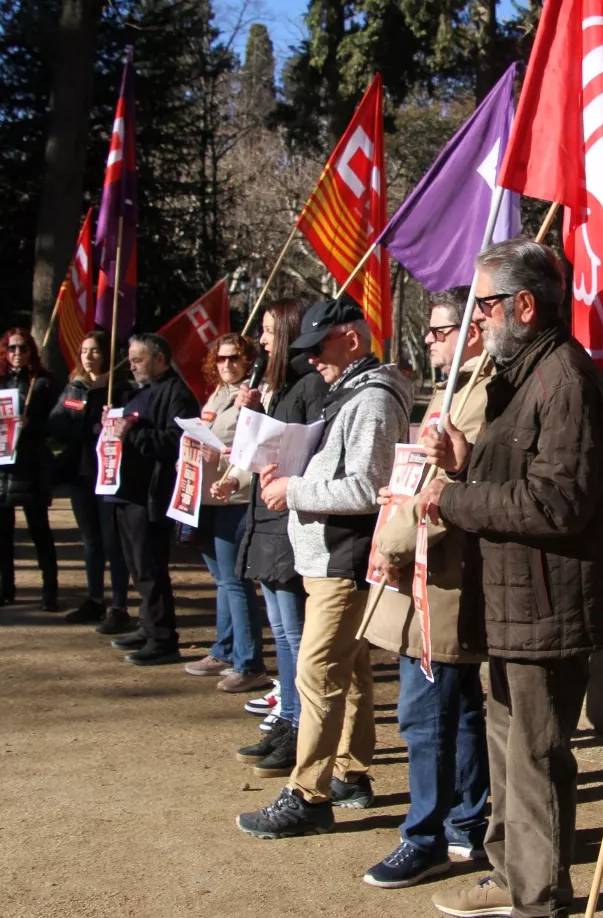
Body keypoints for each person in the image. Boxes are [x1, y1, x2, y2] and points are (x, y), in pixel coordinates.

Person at [419, 239, 603, 918]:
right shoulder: (522, 375)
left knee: (538, 756)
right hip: (512, 602)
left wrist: (454, 499)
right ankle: (510, 879)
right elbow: (520, 477)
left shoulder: (564, 378)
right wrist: (462, 461)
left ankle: (539, 900)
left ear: (523, 305)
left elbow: (558, 502)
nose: (477, 319)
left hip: (549, 606)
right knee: (509, 749)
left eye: (484, 305)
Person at [235, 295, 412, 838]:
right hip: (331, 555)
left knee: (316, 674)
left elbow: (367, 487)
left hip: (343, 557)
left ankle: (308, 795)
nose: (311, 358)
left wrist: (293, 489)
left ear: (352, 339)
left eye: (320, 346)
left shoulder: (371, 400)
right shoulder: (350, 393)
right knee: (348, 671)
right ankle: (350, 774)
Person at [360, 288, 495, 889]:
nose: (430, 340)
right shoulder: (455, 388)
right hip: (431, 564)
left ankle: (425, 837)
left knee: (425, 714)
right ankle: (466, 822)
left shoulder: (479, 392)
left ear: (471, 332)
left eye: (441, 331)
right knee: (458, 708)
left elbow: (447, 488)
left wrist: (393, 540)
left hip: (440, 571)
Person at [220, 298, 328, 776]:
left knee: (296, 632)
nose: (261, 340)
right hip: (265, 515)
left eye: (268, 330)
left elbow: (302, 450)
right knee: (281, 630)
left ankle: (301, 723)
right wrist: (255, 411)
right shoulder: (278, 383)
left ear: (287, 332)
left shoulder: (309, 385)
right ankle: (287, 716)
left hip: (288, 519)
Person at [106, 332, 202, 666]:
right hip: (127, 491)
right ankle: (147, 627)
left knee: (150, 568)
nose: (132, 366)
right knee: (136, 566)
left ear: (159, 358)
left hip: (151, 494)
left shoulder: (177, 393)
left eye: (138, 359)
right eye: (131, 360)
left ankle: (163, 639)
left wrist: (134, 433)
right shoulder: (141, 392)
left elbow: (179, 441)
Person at [182, 332, 270, 693]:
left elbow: (255, 447)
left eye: (235, 358)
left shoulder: (254, 395)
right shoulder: (218, 393)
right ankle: (225, 649)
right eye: (221, 358)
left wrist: (220, 457)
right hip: (205, 496)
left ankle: (249, 663)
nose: (227, 364)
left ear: (248, 360)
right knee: (222, 580)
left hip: (235, 498)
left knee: (235, 581)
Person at [0, 327, 59, 610]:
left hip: (30, 466)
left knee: (39, 530)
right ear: (4, 352)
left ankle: (50, 591)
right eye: (12, 348)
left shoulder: (42, 384)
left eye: (23, 348)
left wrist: (32, 426)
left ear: (31, 351)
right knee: (2, 533)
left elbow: (56, 425)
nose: (17, 353)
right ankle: (6, 588)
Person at [48, 329, 134, 632]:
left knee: (113, 541)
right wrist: (86, 424)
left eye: (95, 350)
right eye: (84, 350)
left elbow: (128, 425)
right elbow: (56, 425)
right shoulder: (75, 388)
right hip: (80, 473)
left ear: (107, 355)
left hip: (109, 474)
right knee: (91, 541)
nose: (88, 356)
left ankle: (119, 605)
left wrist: (108, 423)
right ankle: (94, 598)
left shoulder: (120, 390)